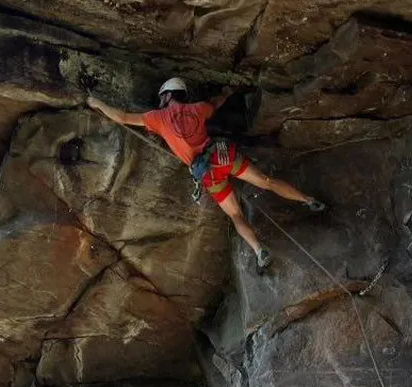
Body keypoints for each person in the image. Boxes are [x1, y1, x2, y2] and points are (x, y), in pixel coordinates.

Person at [86, 77, 326, 272]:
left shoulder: (156, 118)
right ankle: (307, 200)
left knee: (235, 215)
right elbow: (215, 103)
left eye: (162, 96)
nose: (161, 100)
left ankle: (258, 250)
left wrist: (96, 102)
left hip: (207, 173)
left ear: (168, 95)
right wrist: (228, 92)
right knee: (267, 182)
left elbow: (122, 117)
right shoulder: (197, 109)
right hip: (222, 155)